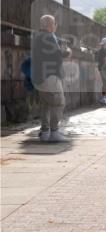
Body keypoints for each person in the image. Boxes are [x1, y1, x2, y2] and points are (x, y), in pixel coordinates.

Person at [31, 14, 72, 142]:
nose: (55, 26)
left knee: (45, 105)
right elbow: (57, 55)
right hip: (50, 77)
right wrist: (68, 52)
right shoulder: (48, 37)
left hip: (39, 78)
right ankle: (54, 132)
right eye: (54, 24)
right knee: (58, 103)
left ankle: (44, 132)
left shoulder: (38, 36)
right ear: (50, 25)